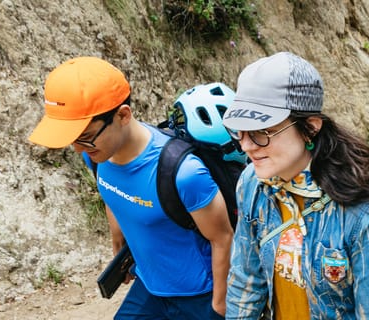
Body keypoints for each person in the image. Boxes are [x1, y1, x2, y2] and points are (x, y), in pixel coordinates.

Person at [27, 57, 233, 319]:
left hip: (199, 294)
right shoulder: (96, 155)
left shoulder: (184, 173)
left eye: (85, 138)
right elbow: (112, 193)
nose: (78, 149)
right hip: (149, 286)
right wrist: (119, 245)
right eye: (73, 140)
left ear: (123, 115)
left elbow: (222, 238)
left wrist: (220, 304)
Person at [223, 52, 369, 319]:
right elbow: (245, 281)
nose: (246, 145)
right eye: (240, 130)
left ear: (310, 127)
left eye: (262, 131)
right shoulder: (252, 183)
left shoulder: (366, 212)